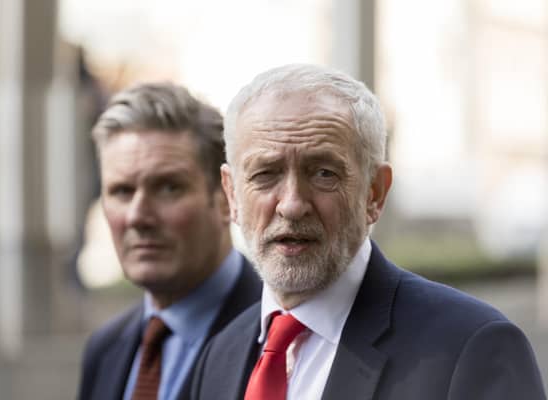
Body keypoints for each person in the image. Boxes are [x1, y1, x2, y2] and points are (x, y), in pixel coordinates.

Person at [190, 64, 546, 400]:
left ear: (374, 192)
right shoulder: (220, 355)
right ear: (232, 193)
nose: (292, 204)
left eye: (324, 173)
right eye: (265, 174)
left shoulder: (470, 347)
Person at [78, 82, 261, 400]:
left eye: (168, 188)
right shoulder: (104, 349)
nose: (137, 216)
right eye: (121, 191)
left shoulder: (278, 343)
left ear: (225, 198)